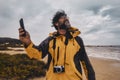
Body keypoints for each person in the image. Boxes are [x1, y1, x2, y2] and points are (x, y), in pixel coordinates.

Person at [18, 10, 95, 80]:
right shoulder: (50, 40)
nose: (66, 19)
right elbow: (38, 54)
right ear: (56, 23)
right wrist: (28, 43)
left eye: (66, 17)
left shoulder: (77, 40)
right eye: (63, 17)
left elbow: (86, 64)